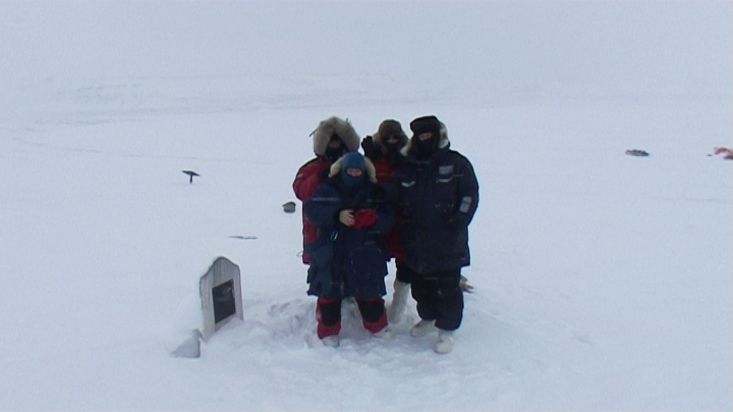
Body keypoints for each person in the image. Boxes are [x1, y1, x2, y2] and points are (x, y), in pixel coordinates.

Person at [387, 115, 479, 354]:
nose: (425, 139)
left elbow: (469, 195)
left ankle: (446, 330)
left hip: (447, 242)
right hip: (415, 242)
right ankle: (427, 318)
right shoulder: (408, 166)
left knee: (448, 288)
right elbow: (391, 193)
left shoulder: (457, 164)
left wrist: (458, 220)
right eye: (421, 136)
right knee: (421, 287)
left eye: (429, 135)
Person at [304, 152, 394, 346]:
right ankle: (328, 331)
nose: (354, 174)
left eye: (357, 171)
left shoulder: (374, 191)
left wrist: (373, 219)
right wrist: (336, 215)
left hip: (366, 251)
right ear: (342, 170)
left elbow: (388, 217)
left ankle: (377, 326)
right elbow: (312, 210)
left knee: (369, 292)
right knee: (329, 292)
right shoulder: (327, 188)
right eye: (350, 170)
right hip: (332, 250)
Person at [361, 119, 412, 323]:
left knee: (405, 263)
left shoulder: (409, 157)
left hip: (405, 219)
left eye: (395, 137)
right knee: (373, 262)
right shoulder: (372, 158)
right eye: (387, 137)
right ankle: (372, 305)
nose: (391, 140)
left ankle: (398, 306)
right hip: (378, 219)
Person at [293, 116, 360, 266]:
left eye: (338, 142)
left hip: (353, 234)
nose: (335, 146)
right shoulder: (312, 169)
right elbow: (301, 191)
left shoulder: (357, 166)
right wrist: (320, 175)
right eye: (331, 142)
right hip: (318, 234)